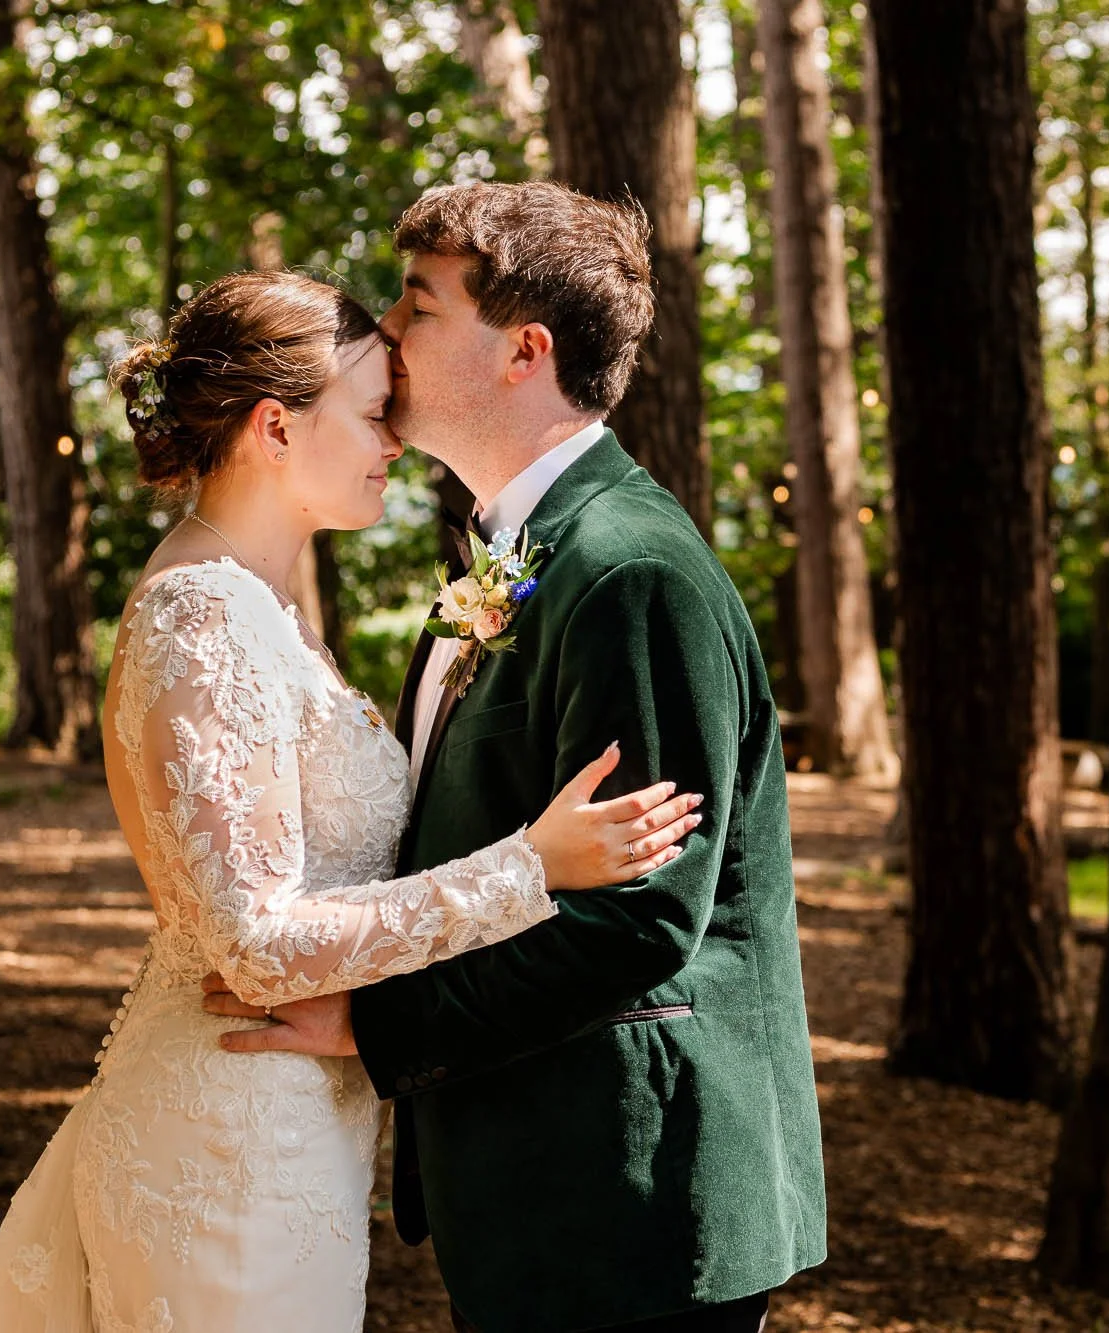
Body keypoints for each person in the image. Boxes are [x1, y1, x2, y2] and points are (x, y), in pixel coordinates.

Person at [0, 268, 702, 1333]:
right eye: (368, 414)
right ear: (275, 427)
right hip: (226, 1137)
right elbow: (253, 943)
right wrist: (528, 869)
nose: (392, 441)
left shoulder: (264, 607)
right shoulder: (201, 615)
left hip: (290, 1126)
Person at [200, 181, 828, 1332]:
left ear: (522, 351)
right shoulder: (513, 552)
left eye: (420, 304)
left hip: (628, 1193)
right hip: (538, 1184)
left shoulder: (630, 572)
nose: (384, 328)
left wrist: (373, 1025)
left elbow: (639, 918)